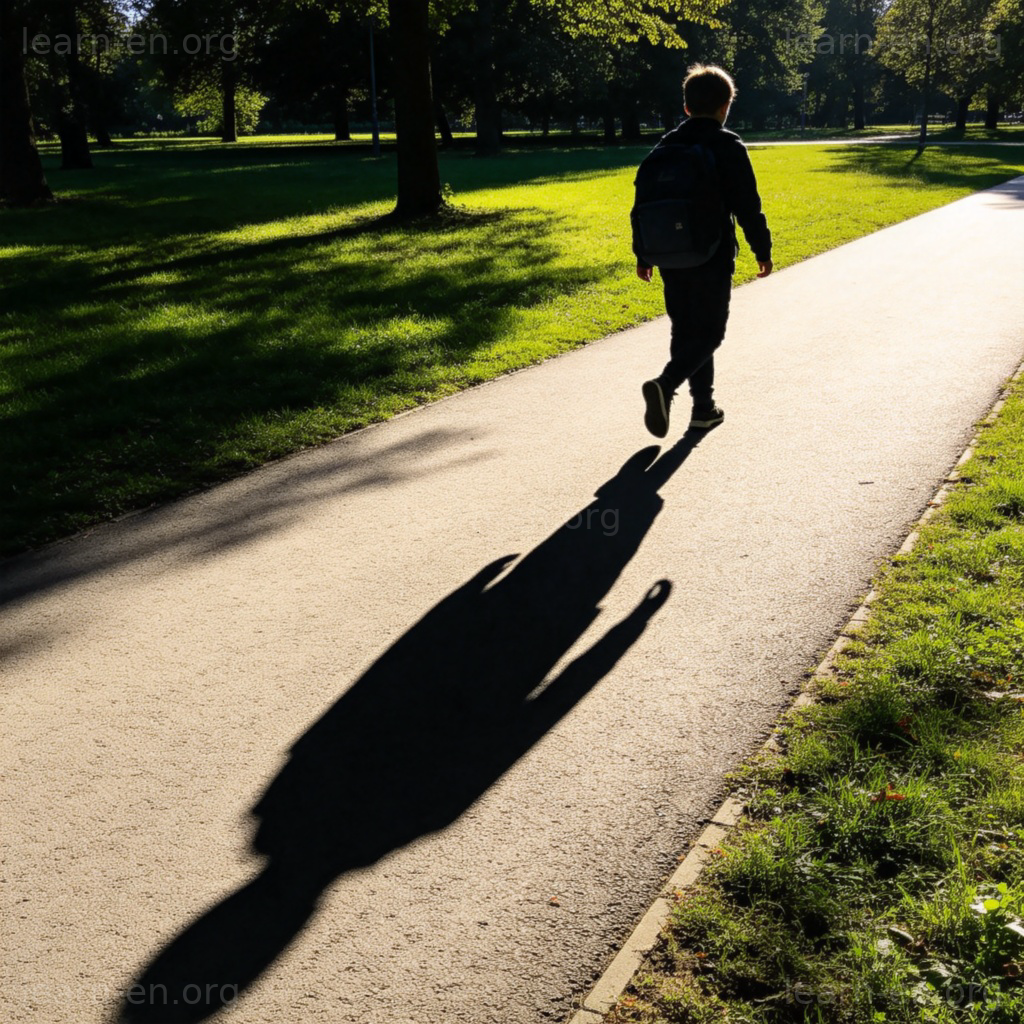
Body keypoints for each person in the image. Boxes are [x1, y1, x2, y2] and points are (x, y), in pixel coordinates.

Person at [637, 64, 773, 438]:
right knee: (710, 332)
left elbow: (644, 201)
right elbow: (748, 205)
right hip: (711, 253)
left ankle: (703, 409)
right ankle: (665, 385)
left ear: (686, 107)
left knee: (686, 329)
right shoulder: (727, 145)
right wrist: (762, 249)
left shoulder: (665, 146)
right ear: (725, 106)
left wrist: (642, 254)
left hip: (668, 253)